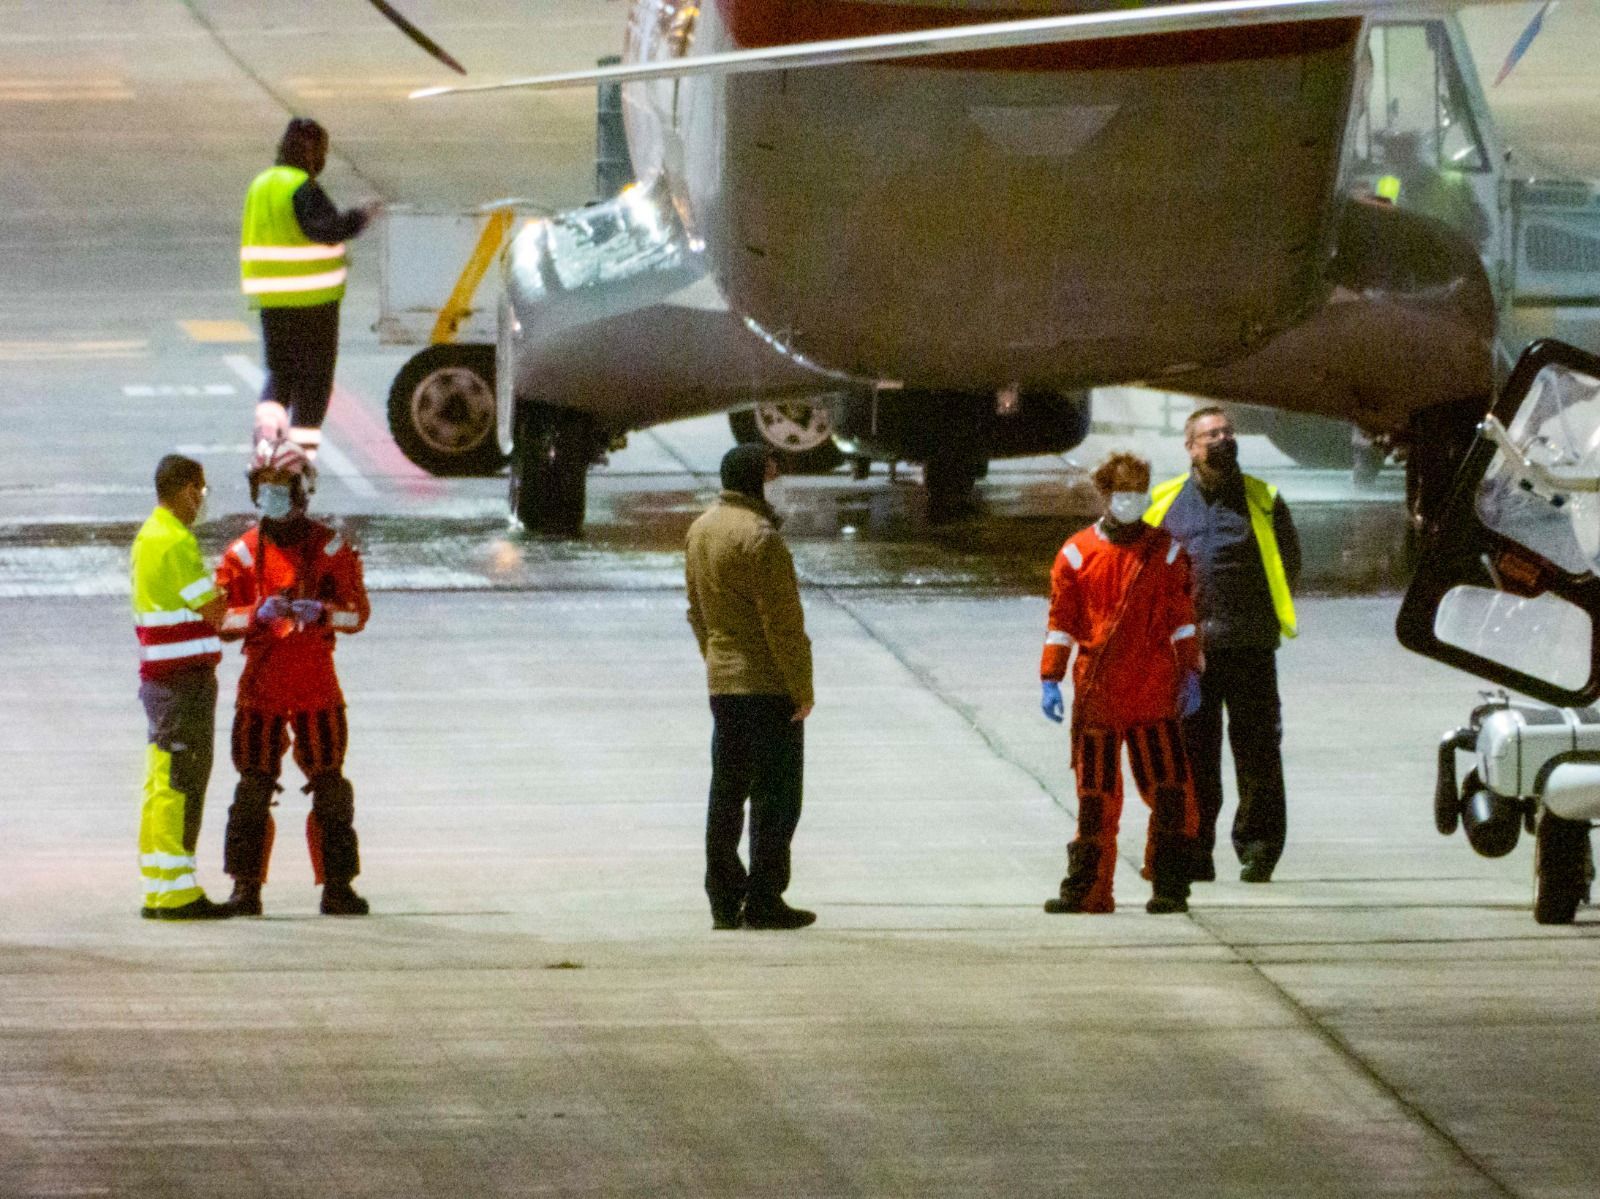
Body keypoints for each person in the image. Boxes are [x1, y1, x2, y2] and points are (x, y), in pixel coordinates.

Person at [1039, 451, 1202, 915]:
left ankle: (1169, 888)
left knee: (1170, 793)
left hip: (1153, 693)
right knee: (1095, 800)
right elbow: (1062, 622)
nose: (1134, 501)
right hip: (1099, 696)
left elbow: (1182, 620)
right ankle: (1088, 891)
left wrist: (1191, 670)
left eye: (1139, 493)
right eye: (1124, 493)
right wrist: (1050, 677)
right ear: (1105, 495)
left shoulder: (1166, 553)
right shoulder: (1076, 554)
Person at [214, 438, 372, 916]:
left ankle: (337, 886)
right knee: (252, 787)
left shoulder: (332, 548)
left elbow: (357, 615)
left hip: (315, 683)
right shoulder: (241, 554)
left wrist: (321, 612)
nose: (273, 496)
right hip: (261, 687)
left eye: (282, 486)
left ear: (304, 489)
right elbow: (220, 621)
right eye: (265, 486)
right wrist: (256, 614)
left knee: (331, 787)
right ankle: (245, 889)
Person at [1146, 406, 1301, 883]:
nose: (1222, 439)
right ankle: (1196, 849)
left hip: (1250, 646)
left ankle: (1258, 849)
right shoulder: (1165, 503)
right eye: (1211, 434)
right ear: (1191, 447)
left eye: (1227, 432)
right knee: (1195, 758)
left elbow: (1288, 564)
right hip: (1190, 656)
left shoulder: (1263, 498)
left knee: (1258, 753)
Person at [685, 445, 816, 931]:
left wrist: (716, 661)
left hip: (723, 682)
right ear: (759, 477)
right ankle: (764, 898)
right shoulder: (761, 538)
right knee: (777, 797)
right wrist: (800, 687)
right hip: (766, 683)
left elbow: (696, 610)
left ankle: (723, 897)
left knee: (726, 792)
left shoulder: (700, 530)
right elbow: (782, 624)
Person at [130, 455, 235, 919]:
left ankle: (160, 886)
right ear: (187, 489)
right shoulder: (176, 542)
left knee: (161, 781)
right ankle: (176, 892)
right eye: (202, 490)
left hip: (160, 681)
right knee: (182, 782)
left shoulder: (149, 536)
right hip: (183, 683)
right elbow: (215, 612)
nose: (203, 500)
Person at [239, 117, 379, 461]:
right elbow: (325, 230)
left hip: (272, 299)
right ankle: (299, 462)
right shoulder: (301, 187)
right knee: (314, 385)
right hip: (314, 303)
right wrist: (360, 217)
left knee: (280, 374)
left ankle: (267, 439)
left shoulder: (261, 184)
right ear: (314, 152)